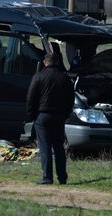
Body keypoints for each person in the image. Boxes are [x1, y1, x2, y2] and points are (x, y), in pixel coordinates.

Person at [26, 49, 75, 185]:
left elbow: (31, 97)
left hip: (42, 115)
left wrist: (31, 114)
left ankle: (47, 177)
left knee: (45, 146)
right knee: (58, 147)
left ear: (45, 62)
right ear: (58, 62)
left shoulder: (39, 76)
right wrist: (66, 114)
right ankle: (62, 177)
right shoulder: (65, 78)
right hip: (59, 116)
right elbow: (71, 99)